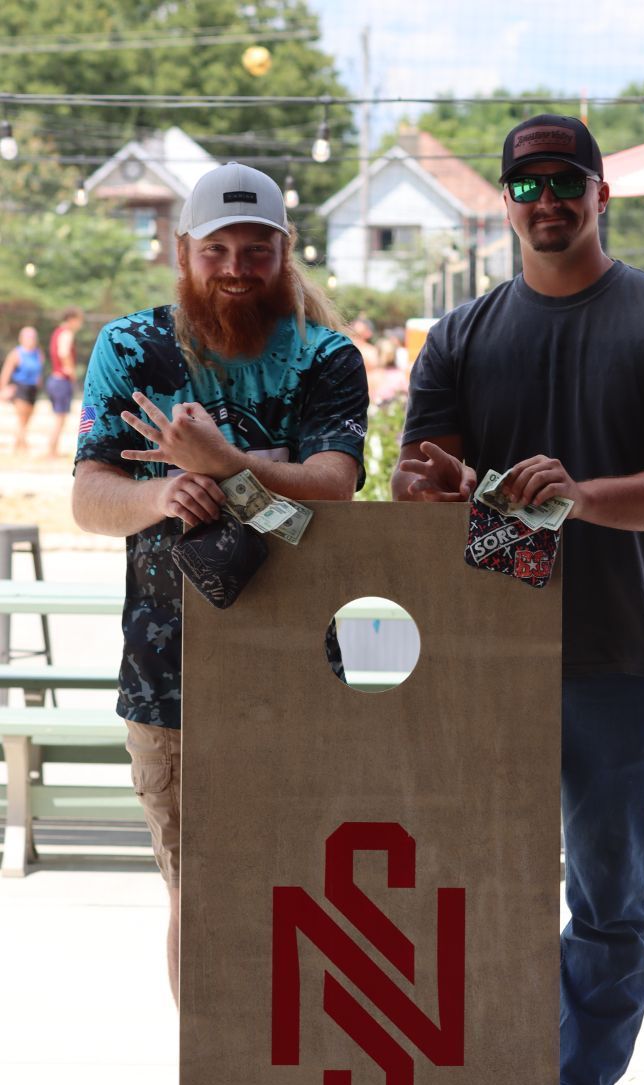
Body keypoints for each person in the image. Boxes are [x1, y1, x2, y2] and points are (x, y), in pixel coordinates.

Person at [391, 114, 644, 1085]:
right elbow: (425, 480)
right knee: (466, 893)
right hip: (480, 658)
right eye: (524, 183)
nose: (544, 200)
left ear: (601, 196)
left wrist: (579, 499)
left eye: (564, 182)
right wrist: (427, 489)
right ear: (503, 200)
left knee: (605, 902)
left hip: (620, 658)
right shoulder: (457, 337)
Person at [71, 163, 369, 1005]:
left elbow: (335, 486)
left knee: (305, 889)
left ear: (286, 251)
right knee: (196, 892)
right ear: (183, 251)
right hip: (171, 674)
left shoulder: (326, 356)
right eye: (219, 250)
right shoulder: (133, 348)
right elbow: (91, 499)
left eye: (257, 250)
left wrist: (222, 466)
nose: (238, 267)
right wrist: (163, 493)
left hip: (307, 664)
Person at [44, 307, 84, 457]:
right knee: (60, 418)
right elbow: (64, 352)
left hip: (54, 378)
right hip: (61, 380)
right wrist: (70, 369)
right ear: (72, 319)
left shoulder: (57, 332)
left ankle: (52, 448)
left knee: (58, 417)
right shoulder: (67, 333)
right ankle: (52, 450)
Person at [0, 326, 44, 453]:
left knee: (27, 418)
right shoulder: (16, 353)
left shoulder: (38, 353)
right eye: (28, 337)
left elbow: (39, 370)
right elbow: (5, 374)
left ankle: (18, 444)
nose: (31, 340)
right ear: (21, 339)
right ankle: (22, 446)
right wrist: (3, 390)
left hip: (33, 388)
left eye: (33, 337)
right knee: (22, 417)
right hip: (20, 387)